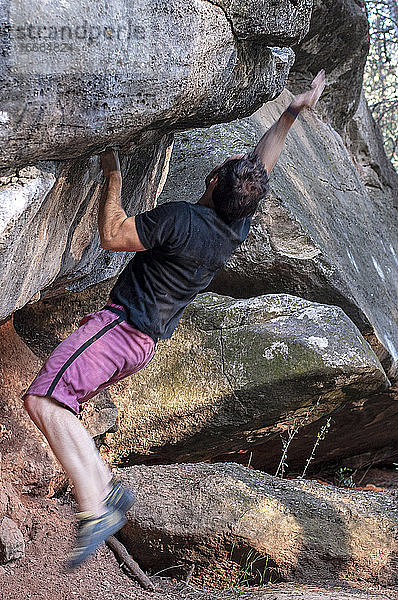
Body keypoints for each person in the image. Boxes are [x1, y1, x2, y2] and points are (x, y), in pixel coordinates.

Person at [23, 70, 326, 568]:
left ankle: (95, 508)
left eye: (230, 163)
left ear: (211, 182)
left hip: (117, 329)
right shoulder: (233, 227)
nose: (239, 159)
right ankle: (106, 490)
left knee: (46, 401)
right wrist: (292, 111)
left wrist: (114, 174)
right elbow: (260, 164)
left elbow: (115, 235)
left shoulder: (182, 219)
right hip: (141, 345)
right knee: (56, 401)